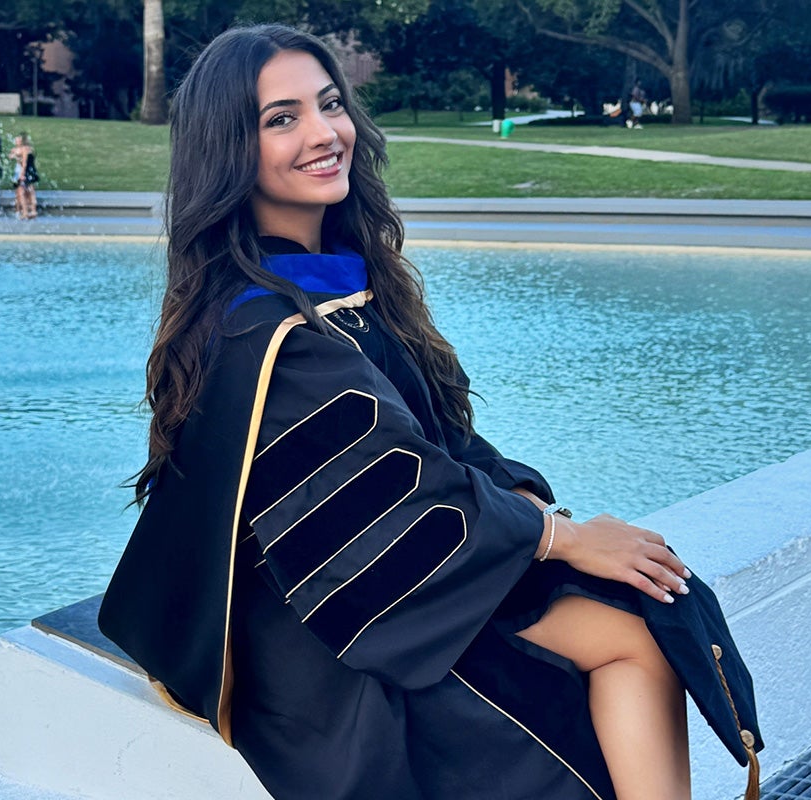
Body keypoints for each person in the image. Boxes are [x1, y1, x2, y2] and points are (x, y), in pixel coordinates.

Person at [98, 23, 762, 800]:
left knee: (646, 606)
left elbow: (439, 439)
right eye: (281, 119)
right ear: (230, 150)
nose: (323, 134)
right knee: (626, 643)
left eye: (330, 105)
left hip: (388, 579)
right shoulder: (267, 330)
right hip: (325, 634)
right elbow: (400, 497)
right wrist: (563, 538)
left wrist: (531, 507)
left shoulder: (342, 289)